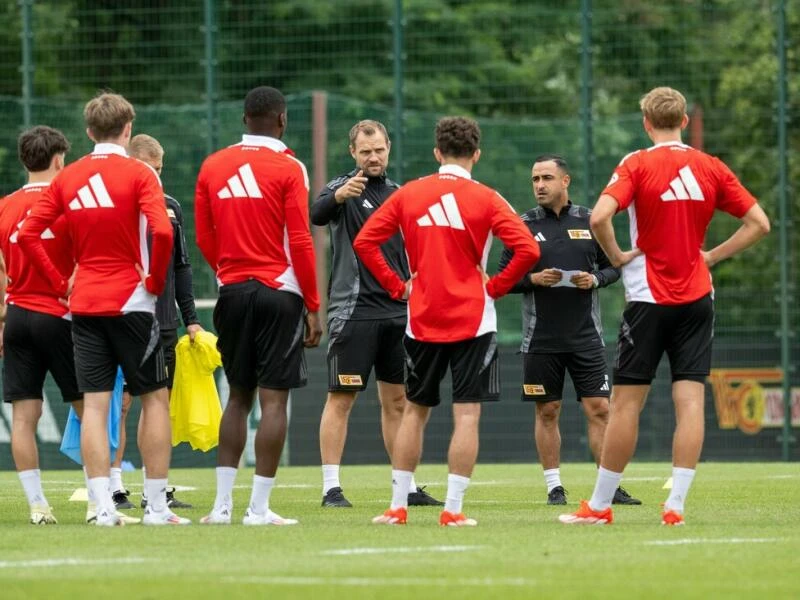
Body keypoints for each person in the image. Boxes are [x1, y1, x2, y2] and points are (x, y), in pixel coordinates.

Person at [559, 87, 770, 526]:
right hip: (698, 297)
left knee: (627, 404)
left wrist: (616, 257)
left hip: (648, 299)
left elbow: (598, 217)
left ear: (646, 123)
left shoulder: (636, 162)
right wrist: (712, 256)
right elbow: (759, 224)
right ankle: (675, 506)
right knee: (690, 400)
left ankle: (599, 506)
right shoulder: (710, 166)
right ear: (686, 123)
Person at [354, 116, 540, 527]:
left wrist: (397, 286)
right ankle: (453, 510)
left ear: (437, 152)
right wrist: (496, 287)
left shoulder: (409, 195)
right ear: (477, 154)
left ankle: (397, 506)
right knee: (467, 414)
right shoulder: (489, 198)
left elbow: (365, 241)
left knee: (415, 411)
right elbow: (527, 248)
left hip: (421, 318)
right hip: (474, 320)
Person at [19, 92, 186, 526]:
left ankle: (104, 508)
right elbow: (164, 232)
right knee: (153, 399)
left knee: (95, 404)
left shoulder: (67, 177)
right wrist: (153, 281)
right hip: (132, 301)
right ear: (128, 129)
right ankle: (157, 508)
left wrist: (59, 284)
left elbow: (29, 235)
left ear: (89, 131)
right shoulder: (139, 173)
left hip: (85, 303)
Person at [195, 86, 322, 526]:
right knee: (274, 402)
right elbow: (301, 240)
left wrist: (228, 270)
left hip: (231, 291)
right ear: (282, 120)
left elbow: (204, 236)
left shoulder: (213, 165)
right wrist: (313, 303)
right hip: (279, 292)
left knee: (237, 398)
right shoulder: (289, 166)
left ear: (244, 119)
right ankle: (258, 509)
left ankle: (221, 507)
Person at [310, 120, 442, 508]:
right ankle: (331, 487)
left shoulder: (402, 194)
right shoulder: (342, 188)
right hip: (353, 311)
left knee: (399, 401)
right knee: (341, 397)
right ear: (353, 152)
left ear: (388, 149)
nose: (373, 157)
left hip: (399, 310)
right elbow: (315, 214)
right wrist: (337, 198)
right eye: (365, 151)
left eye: (379, 150)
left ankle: (406, 485)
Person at [498, 154, 640, 506]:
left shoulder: (592, 220)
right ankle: (554, 487)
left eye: (546, 178)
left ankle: (607, 487)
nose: (540, 185)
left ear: (565, 181)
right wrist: (532, 279)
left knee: (599, 409)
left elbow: (615, 268)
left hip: (585, 338)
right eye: (535, 179)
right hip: (540, 338)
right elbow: (501, 280)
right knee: (547, 411)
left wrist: (594, 279)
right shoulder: (522, 224)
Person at [109, 134, 202, 512]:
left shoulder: (171, 208)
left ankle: (154, 488)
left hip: (162, 321)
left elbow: (181, 267)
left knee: (156, 402)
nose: (156, 177)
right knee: (121, 402)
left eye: (159, 171)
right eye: (150, 169)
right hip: (121, 315)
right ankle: (113, 485)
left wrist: (191, 319)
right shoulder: (113, 203)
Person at [0, 126, 79, 524]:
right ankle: (101, 497)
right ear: (59, 159)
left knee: (22, 418)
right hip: (59, 315)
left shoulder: (4, 205)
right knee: (91, 409)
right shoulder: (68, 201)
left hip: (16, 317)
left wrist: (1, 318)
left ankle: (37, 505)